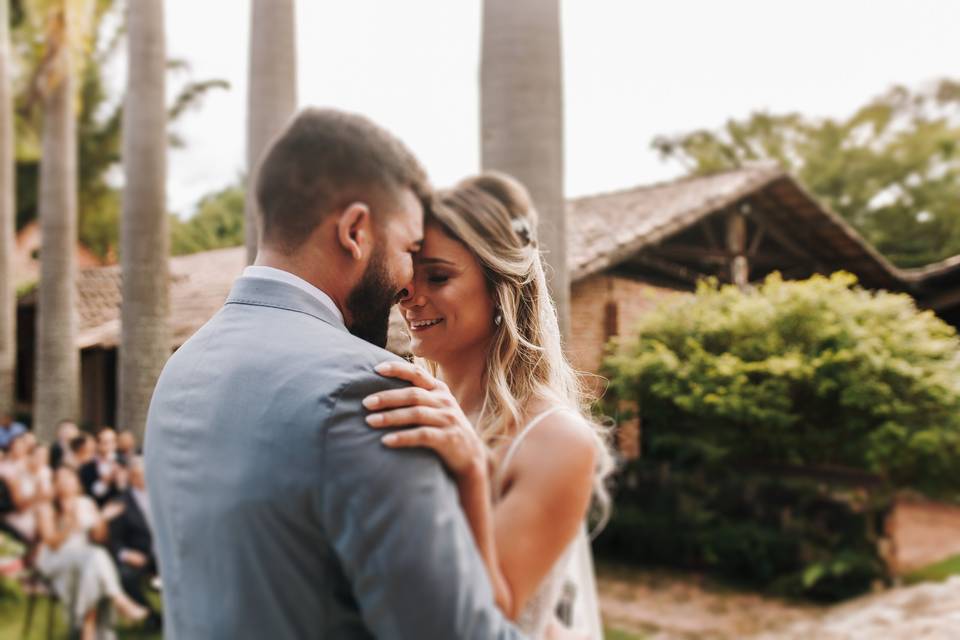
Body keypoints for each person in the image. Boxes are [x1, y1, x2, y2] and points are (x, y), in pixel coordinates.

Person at [145, 108, 526, 639]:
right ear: (354, 231)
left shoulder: (181, 367)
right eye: (409, 250)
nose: (408, 281)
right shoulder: (370, 391)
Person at [365, 173, 614, 638]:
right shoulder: (411, 398)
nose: (408, 295)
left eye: (438, 276)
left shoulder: (553, 438)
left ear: (499, 286)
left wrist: (470, 474)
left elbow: (492, 618)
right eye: (406, 276)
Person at [35, 466, 148, 640]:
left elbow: (100, 539)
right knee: (94, 557)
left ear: (76, 481)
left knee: (92, 564)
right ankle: (120, 600)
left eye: (69, 478)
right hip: (55, 558)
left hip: (85, 560)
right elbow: (52, 544)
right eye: (61, 479)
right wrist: (72, 520)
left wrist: (101, 521)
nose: (66, 483)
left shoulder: (86, 502)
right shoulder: (47, 507)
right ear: (54, 484)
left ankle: (87, 632)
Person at [108, 456, 160, 629]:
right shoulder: (121, 502)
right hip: (142, 554)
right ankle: (151, 616)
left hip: (168, 553)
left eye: (145, 474)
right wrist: (126, 554)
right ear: (131, 477)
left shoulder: (163, 496)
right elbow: (114, 540)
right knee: (125, 576)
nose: (142, 478)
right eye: (137, 475)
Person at [79, 427, 125, 506]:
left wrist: (121, 480)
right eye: (105, 442)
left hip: (121, 510)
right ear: (97, 444)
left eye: (112, 441)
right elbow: (89, 494)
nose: (109, 446)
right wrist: (105, 481)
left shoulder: (123, 462)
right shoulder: (87, 467)